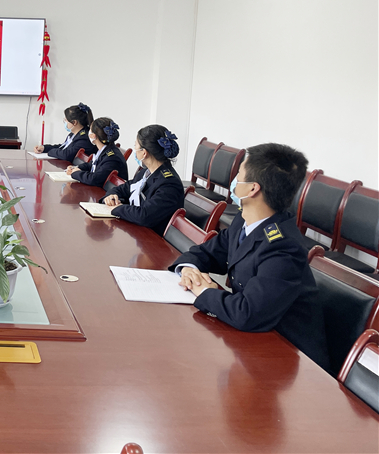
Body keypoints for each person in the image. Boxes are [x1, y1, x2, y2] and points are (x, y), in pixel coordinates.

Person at [169, 143, 330, 372]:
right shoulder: (244, 220)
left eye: (239, 174)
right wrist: (189, 269)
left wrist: (202, 291)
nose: (234, 179)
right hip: (255, 341)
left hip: (290, 359)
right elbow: (207, 252)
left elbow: (247, 313)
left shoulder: (283, 247)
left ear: (253, 188)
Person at [101, 124, 184, 235]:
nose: (135, 150)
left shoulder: (169, 183)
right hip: (138, 231)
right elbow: (126, 187)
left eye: (135, 146)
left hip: (153, 239)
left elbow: (145, 215)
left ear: (144, 153)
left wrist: (117, 208)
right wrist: (111, 196)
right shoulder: (146, 172)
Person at [65, 117, 129, 187]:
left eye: (90, 129)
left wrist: (76, 173)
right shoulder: (103, 150)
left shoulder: (112, 157)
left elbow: (94, 179)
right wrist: (76, 168)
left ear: (93, 135)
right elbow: (91, 165)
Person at [32, 103, 97, 163]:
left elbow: (66, 155)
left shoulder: (84, 138)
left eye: (66, 120)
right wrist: (44, 148)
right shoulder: (73, 134)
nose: (65, 122)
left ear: (74, 122)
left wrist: (50, 152)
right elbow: (62, 147)